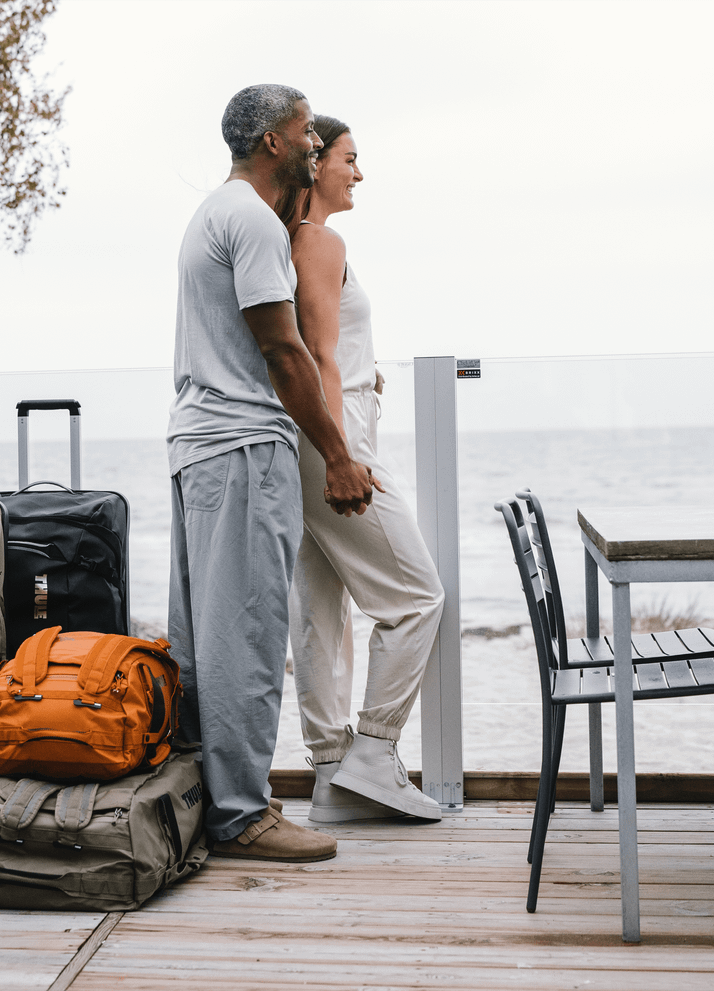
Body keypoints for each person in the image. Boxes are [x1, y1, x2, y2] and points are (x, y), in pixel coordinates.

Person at [167, 86, 375, 863]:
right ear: (272, 144)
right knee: (248, 635)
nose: (316, 146)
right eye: (305, 134)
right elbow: (283, 351)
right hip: (245, 446)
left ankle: (207, 796)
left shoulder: (216, 213)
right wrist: (339, 455)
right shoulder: (251, 222)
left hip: (198, 444)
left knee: (203, 637)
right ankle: (242, 814)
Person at [283, 115, 446, 823]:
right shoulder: (318, 240)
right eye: (349, 158)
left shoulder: (285, 240)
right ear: (314, 165)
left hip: (304, 434)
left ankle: (328, 776)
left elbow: (319, 346)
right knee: (415, 596)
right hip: (330, 437)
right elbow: (315, 354)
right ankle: (374, 752)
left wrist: (361, 374)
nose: (359, 172)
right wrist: (342, 454)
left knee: (319, 611)